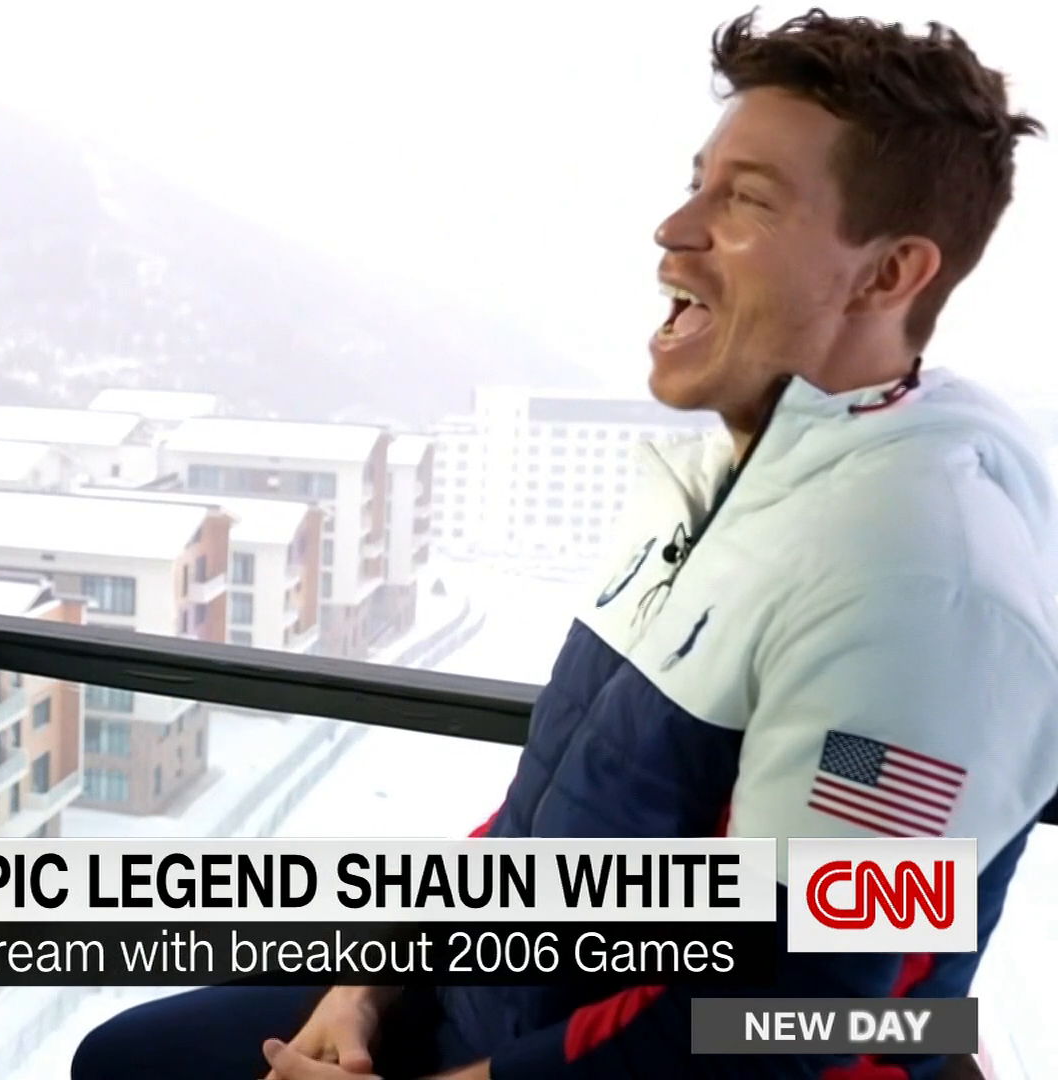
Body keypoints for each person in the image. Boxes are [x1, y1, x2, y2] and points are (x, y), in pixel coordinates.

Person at [74, 11, 1056, 1080]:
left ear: (888, 273)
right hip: (495, 998)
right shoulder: (736, 491)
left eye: (748, 200)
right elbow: (555, 818)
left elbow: (807, 1008)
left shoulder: (924, 594)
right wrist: (367, 983)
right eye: (698, 182)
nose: (674, 227)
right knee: (127, 1060)